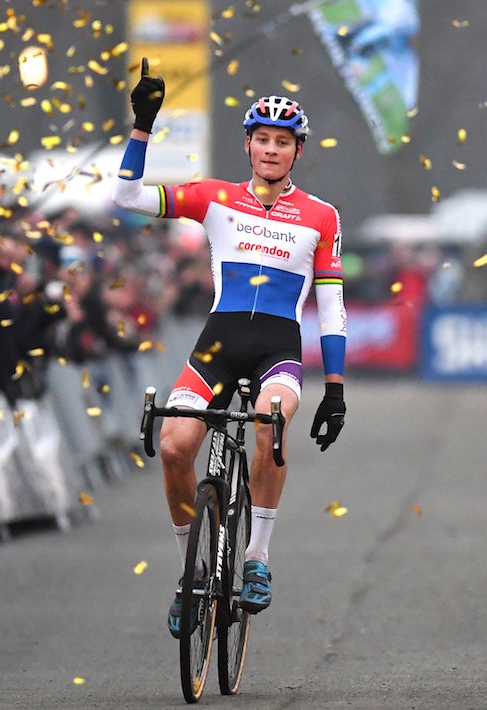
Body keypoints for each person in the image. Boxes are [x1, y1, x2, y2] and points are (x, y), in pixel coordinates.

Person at [112, 60, 348, 637]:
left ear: (298, 151)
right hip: (217, 343)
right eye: (262, 139)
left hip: (278, 349)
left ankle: (257, 557)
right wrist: (142, 126)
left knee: (269, 423)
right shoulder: (215, 197)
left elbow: (332, 307)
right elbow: (128, 197)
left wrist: (336, 388)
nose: (271, 149)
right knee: (173, 447)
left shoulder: (322, 216)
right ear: (248, 145)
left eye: (283, 142)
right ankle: (190, 576)